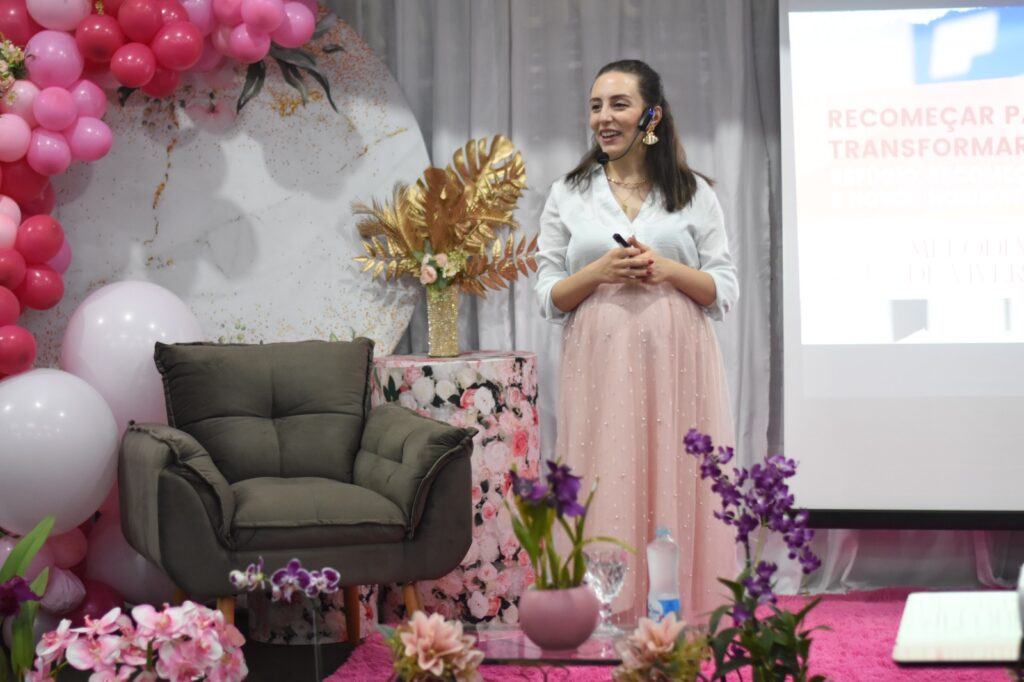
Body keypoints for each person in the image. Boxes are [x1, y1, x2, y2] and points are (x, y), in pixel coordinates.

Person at [534, 59, 738, 623]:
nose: (604, 117)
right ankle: (607, 613)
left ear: (651, 115)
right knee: (604, 475)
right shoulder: (568, 193)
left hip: (677, 361)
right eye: (596, 105)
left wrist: (668, 269)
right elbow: (546, 293)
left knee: (674, 473)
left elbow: (723, 287)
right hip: (598, 361)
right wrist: (598, 271)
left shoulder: (693, 193)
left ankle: (676, 612)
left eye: (618, 104)